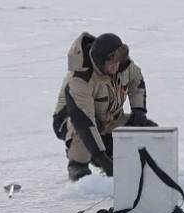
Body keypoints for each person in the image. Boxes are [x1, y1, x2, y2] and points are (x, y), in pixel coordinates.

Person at [52, 32, 157, 181]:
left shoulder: (123, 65)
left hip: (109, 117)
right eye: (111, 63)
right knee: (85, 128)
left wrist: (139, 112)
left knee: (146, 129)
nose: (116, 66)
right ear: (100, 61)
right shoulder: (80, 79)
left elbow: (136, 81)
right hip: (73, 119)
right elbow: (84, 120)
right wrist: (101, 157)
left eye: (118, 62)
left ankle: (131, 161)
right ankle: (78, 165)